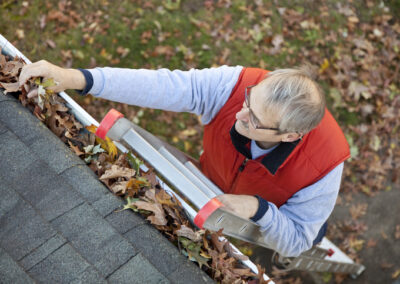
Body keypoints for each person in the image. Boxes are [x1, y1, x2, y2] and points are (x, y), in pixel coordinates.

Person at [19, 61, 349, 257]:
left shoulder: (324, 167)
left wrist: (258, 209)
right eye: (249, 100)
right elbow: (163, 85)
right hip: (211, 182)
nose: (239, 113)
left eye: (255, 120)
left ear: (289, 136)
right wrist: (78, 78)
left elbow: (297, 239)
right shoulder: (236, 86)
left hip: (267, 215)